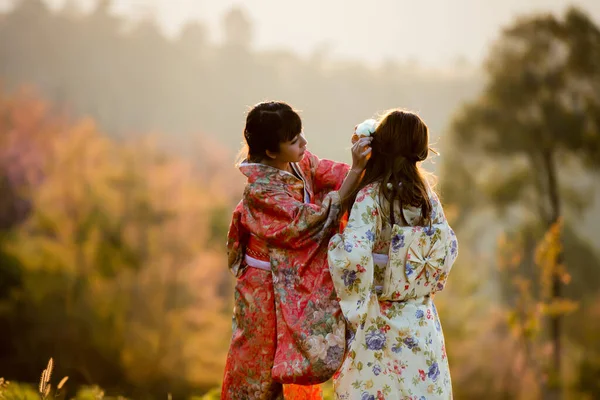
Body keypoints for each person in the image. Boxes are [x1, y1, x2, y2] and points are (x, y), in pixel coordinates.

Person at [221, 101, 372, 400]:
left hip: (290, 283)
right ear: (271, 152)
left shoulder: (299, 164)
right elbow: (307, 222)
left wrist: (370, 167)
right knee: (256, 367)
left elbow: (336, 175)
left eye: (300, 135)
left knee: (294, 369)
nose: (304, 143)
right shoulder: (260, 189)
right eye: (293, 141)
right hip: (261, 287)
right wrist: (356, 172)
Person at [328, 109, 459, 399]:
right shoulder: (426, 198)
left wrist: (334, 244)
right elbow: (447, 249)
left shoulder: (371, 196)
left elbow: (352, 256)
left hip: (380, 316)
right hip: (420, 316)